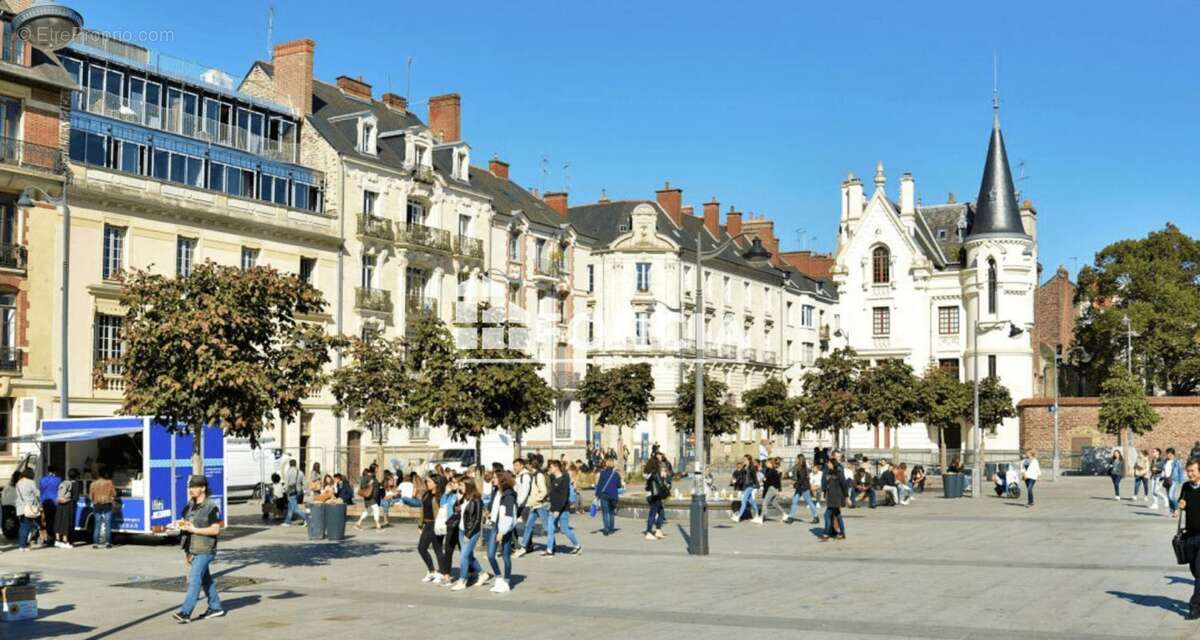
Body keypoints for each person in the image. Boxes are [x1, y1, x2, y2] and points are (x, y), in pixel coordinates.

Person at [172, 475, 224, 623]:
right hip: (192, 548)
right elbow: (185, 522)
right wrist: (179, 524)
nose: (191, 490)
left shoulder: (211, 507)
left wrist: (195, 529)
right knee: (206, 580)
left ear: (203, 488)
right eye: (190, 487)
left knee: (194, 580)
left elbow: (215, 530)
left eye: (194, 487)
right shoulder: (190, 505)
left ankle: (185, 612)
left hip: (205, 549)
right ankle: (215, 607)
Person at [486, 471, 518, 593]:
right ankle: (499, 578)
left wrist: (502, 531)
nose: (493, 479)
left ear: (502, 480)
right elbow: (495, 508)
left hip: (504, 528)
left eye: (495, 478)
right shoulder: (496, 491)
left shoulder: (508, 495)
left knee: (505, 555)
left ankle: (507, 580)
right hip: (495, 525)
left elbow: (509, 515)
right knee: (490, 555)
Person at [1176, 458, 1200, 620]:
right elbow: (1182, 501)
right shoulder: (1186, 486)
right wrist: (1181, 504)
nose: (1190, 474)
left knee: (1199, 571)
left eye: (1193, 471)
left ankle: (1194, 607)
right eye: (1188, 471)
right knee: (1194, 570)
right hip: (1190, 535)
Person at [451, 480, 483, 591]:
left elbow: (477, 520)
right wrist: (458, 500)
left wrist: (468, 534)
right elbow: (455, 508)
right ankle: (482, 574)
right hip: (461, 530)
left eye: (461, 485)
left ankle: (462, 580)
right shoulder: (464, 498)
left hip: (472, 532)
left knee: (464, 556)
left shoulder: (477, 500)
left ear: (468, 486)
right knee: (468, 556)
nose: (459, 487)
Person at [546, 460, 581, 555]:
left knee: (564, 529)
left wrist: (558, 510)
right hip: (553, 508)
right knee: (550, 529)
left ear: (556, 467)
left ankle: (577, 546)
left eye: (551, 467)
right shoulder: (553, 478)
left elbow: (564, 496)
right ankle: (549, 550)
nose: (549, 468)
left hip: (563, 509)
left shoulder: (564, 479)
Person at [516, 458, 549, 557]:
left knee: (547, 527)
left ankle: (551, 547)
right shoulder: (534, 475)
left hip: (539, 505)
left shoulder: (539, 475)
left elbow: (544, 491)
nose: (527, 467)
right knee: (528, 526)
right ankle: (523, 547)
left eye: (528, 465)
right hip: (533, 506)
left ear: (531, 465)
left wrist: (537, 499)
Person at [416, 475, 444, 584]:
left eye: (429, 482)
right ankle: (431, 571)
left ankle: (441, 573)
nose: (427, 483)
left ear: (436, 483)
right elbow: (422, 510)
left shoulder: (440, 496)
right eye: (427, 481)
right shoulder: (426, 494)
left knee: (437, 549)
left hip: (436, 524)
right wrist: (420, 524)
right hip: (427, 524)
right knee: (421, 548)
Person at [820, 458, 848, 541]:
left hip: (836, 497)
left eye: (829, 463)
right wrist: (824, 493)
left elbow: (844, 485)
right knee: (838, 515)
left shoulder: (839, 472)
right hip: (831, 497)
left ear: (833, 464)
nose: (827, 464)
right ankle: (842, 533)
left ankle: (826, 534)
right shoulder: (829, 472)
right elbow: (827, 485)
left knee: (827, 515)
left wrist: (847, 497)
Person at [786, 454, 819, 524]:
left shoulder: (803, 467)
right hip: (799, 487)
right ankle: (790, 517)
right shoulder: (797, 466)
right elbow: (796, 477)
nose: (796, 460)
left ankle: (816, 517)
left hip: (804, 487)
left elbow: (802, 478)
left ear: (800, 459)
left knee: (809, 502)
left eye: (797, 458)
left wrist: (795, 484)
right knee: (794, 501)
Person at [53, 469, 82, 548]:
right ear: (76, 476)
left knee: (59, 522)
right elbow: (75, 498)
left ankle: (57, 540)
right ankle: (66, 541)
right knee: (67, 523)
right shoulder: (76, 484)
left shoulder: (64, 482)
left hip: (60, 504)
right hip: (69, 505)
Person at [89, 468, 116, 548]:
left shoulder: (93, 483)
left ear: (99, 474)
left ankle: (95, 543)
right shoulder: (109, 483)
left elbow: (90, 496)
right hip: (107, 504)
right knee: (108, 524)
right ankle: (108, 543)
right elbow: (114, 494)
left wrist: (95, 500)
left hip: (97, 505)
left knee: (97, 524)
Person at [642, 457, 669, 540]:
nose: (659, 464)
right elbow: (660, 484)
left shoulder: (648, 474)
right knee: (653, 513)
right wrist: (666, 488)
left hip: (650, 495)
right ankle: (649, 532)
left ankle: (658, 530)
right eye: (658, 463)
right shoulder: (655, 473)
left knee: (661, 512)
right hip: (655, 496)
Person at [594, 457, 622, 535]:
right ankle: (611, 529)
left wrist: (597, 495)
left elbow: (599, 485)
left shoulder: (602, 473)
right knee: (611, 512)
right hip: (613, 496)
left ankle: (606, 529)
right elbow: (619, 485)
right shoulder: (616, 474)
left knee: (605, 512)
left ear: (606, 464)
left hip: (604, 495)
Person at [730, 457, 761, 524]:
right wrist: (734, 482)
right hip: (745, 487)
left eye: (745, 460)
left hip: (750, 486)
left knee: (743, 501)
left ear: (749, 460)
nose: (744, 461)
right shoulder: (744, 468)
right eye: (743, 460)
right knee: (752, 501)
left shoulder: (751, 468)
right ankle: (758, 516)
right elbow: (740, 477)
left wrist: (757, 486)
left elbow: (755, 477)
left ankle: (738, 516)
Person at [16, 468, 40, 551]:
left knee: (23, 526)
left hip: (20, 507)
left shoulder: (18, 482)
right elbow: (37, 493)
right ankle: (23, 546)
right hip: (29, 507)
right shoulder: (31, 482)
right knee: (27, 526)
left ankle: (22, 544)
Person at [39, 465, 62, 547]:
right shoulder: (58, 479)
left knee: (48, 520)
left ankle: (49, 538)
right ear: (55, 471)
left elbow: (41, 490)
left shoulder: (42, 480)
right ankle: (56, 538)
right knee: (56, 520)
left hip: (45, 501)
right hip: (55, 502)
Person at [760, 457, 786, 522]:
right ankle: (784, 514)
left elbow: (778, 481)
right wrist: (763, 481)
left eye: (767, 463)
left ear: (771, 463)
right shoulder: (768, 470)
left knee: (764, 503)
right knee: (774, 503)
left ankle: (761, 518)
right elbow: (767, 480)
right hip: (769, 488)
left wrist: (780, 490)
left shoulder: (773, 471)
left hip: (772, 488)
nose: (766, 463)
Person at [281, 459, 306, 526]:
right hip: (299, 491)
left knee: (295, 509)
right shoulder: (300, 472)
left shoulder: (288, 472)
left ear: (289, 464)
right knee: (290, 507)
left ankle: (307, 518)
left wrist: (285, 491)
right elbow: (304, 482)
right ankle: (287, 521)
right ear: (295, 464)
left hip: (291, 492)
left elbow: (286, 483)